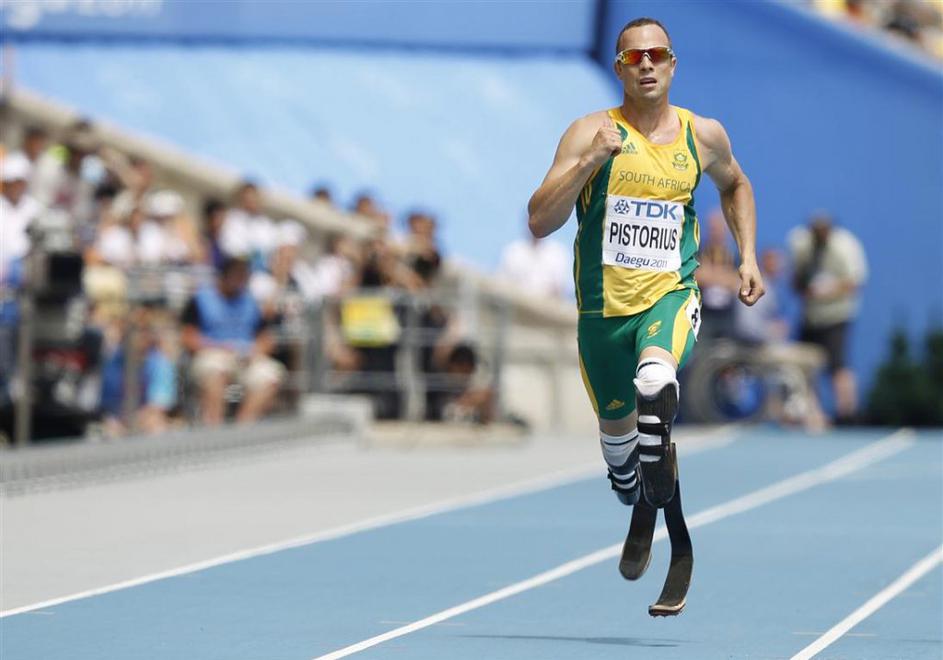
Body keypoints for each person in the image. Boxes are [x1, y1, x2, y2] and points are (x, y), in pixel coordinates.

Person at [527, 17, 763, 615]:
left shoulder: (701, 134)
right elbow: (539, 219)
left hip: (667, 296)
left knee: (656, 382)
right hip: (602, 315)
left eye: (657, 54)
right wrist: (589, 162)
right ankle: (640, 500)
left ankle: (674, 531)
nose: (647, 64)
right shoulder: (590, 132)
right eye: (635, 57)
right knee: (622, 464)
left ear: (673, 64)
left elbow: (736, 185)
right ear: (620, 69)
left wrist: (748, 256)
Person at [180, 257, 285, 426]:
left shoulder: (250, 302)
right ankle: (214, 427)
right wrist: (218, 347)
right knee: (216, 371)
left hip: (246, 357)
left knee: (270, 375)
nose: (240, 280)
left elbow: (266, 339)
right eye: (237, 275)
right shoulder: (201, 299)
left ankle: (244, 426)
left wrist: (255, 352)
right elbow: (188, 338)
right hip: (212, 354)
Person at [789, 211, 867, 425]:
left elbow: (856, 282)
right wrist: (807, 290)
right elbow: (795, 281)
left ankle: (847, 413)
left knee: (838, 365)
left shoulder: (846, 247)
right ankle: (813, 413)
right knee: (804, 364)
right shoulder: (801, 244)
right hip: (811, 314)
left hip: (837, 314)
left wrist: (828, 290)